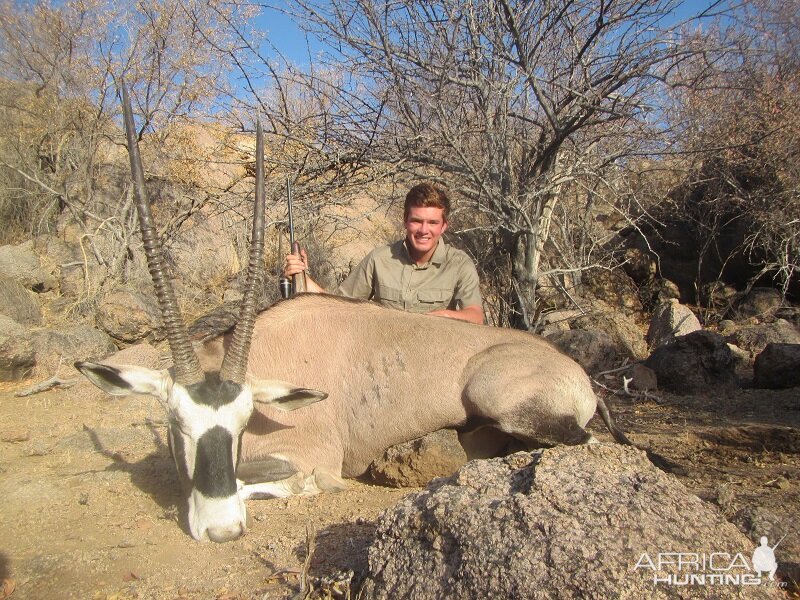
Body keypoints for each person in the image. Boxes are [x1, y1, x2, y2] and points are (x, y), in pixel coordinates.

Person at [282, 182, 484, 324]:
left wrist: (442, 317)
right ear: (405, 221)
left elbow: (475, 316)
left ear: (444, 226)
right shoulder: (379, 258)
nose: (424, 230)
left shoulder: (459, 263)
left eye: (432, 222)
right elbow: (339, 305)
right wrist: (303, 276)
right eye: (416, 221)